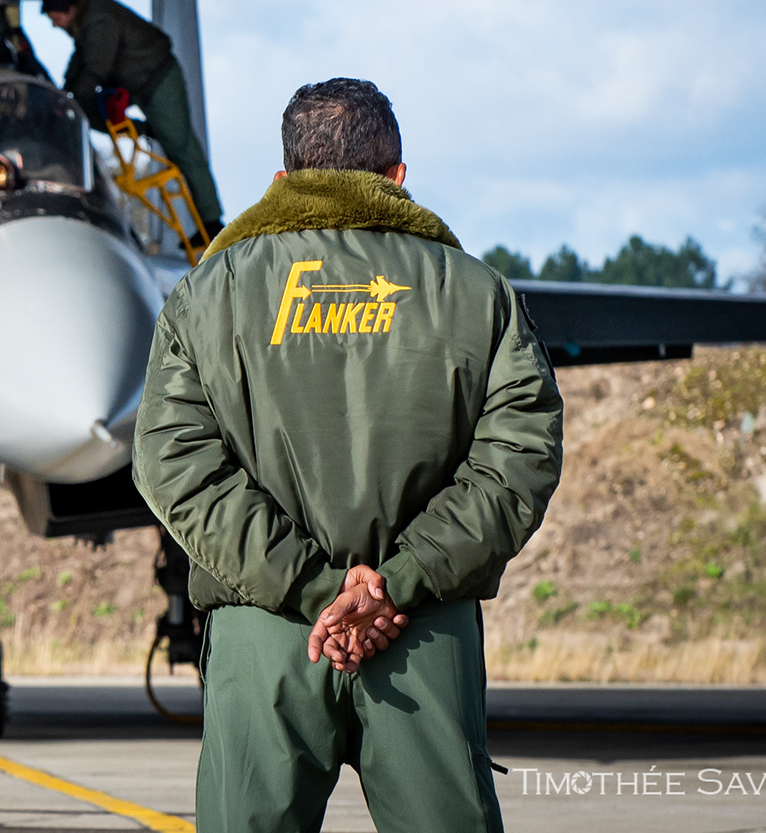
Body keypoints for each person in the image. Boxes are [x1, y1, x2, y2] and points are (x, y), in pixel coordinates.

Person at [131, 77, 564, 833]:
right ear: (397, 178)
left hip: (266, 632)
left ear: (282, 182)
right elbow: (519, 458)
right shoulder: (479, 294)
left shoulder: (205, 296)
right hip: (420, 631)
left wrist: (308, 590)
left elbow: (172, 462)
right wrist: (396, 583)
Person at [40, 0, 225, 241]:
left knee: (181, 146)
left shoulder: (99, 19)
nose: (54, 24)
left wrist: (71, 100)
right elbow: (80, 61)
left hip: (158, 79)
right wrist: (64, 96)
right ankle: (146, 130)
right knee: (88, 111)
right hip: (130, 84)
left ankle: (211, 222)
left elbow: (95, 68)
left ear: (68, 10)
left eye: (55, 18)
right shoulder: (83, 21)